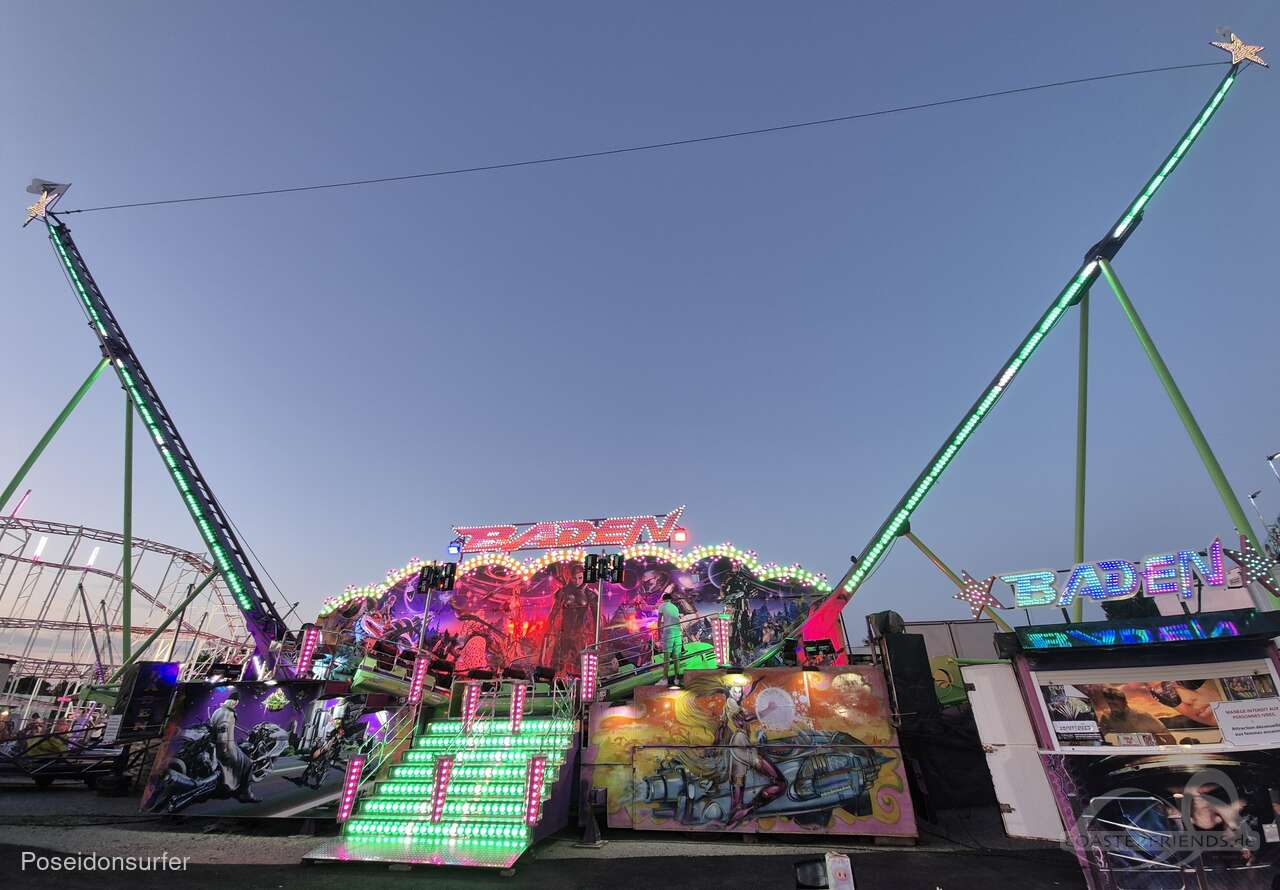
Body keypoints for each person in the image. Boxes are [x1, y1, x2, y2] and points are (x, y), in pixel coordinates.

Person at [208, 691, 258, 803]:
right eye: (237, 702)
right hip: (225, 747)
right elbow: (223, 733)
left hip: (213, 745)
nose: (237, 704)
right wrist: (225, 751)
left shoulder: (217, 711)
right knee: (248, 763)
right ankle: (246, 794)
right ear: (235, 702)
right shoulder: (229, 714)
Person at [658, 592, 683, 687]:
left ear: (663, 599)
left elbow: (659, 621)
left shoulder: (662, 606)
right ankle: (677, 678)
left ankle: (665, 679)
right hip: (677, 632)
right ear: (671, 599)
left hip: (668, 631)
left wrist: (659, 635)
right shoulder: (675, 608)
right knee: (676, 657)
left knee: (666, 657)